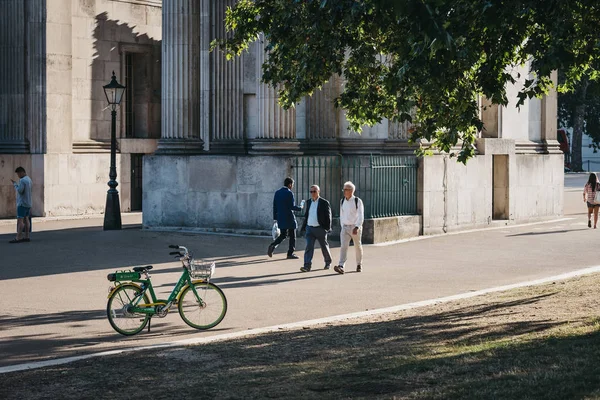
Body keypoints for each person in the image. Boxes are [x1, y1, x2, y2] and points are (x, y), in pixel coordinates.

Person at [268, 177, 304, 259]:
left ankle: (272, 245)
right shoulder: (289, 193)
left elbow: (274, 206)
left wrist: (275, 218)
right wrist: (300, 207)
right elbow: (292, 206)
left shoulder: (277, 192)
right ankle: (290, 253)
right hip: (289, 217)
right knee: (292, 236)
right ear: (290, 184)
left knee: (283, 235)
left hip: (280, 217)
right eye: (292, 185)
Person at [299, 185, 333, 272]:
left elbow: (328, 216)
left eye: (314, 191)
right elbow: (307, 215)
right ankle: (307, 266)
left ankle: (328, 262)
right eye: (311, 192)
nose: (312, 193)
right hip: (310, 228)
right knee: (309, 247)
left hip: (320, 228)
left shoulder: (324, 202)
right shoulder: (308, 202)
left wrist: (327, 228)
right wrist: (304, 227)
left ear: (318, 191)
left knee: (324, 246)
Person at [334, 181, 364, 274]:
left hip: (355, 227)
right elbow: (341, 214)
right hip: (345, 227)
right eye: (344, 189)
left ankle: (359, 264)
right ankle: (341, 265)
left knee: (357, 246)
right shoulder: (342, 201)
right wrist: (342, 225)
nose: (344, 191)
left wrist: (357, 226)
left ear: (351, 191)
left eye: (346, 189)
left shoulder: (357, 201)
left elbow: (360, 215)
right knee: (343, 247)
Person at [10, 166, 33, 243]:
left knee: (20, 220)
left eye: (18, 174)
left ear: (21, 172)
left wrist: (15, 185)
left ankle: (18, 237)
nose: (18, 176)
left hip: (22, 203)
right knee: (26, 220)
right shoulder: (29, 179)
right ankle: (27, 236)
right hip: (28, 203)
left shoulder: (22, 180)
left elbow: (20, 191)